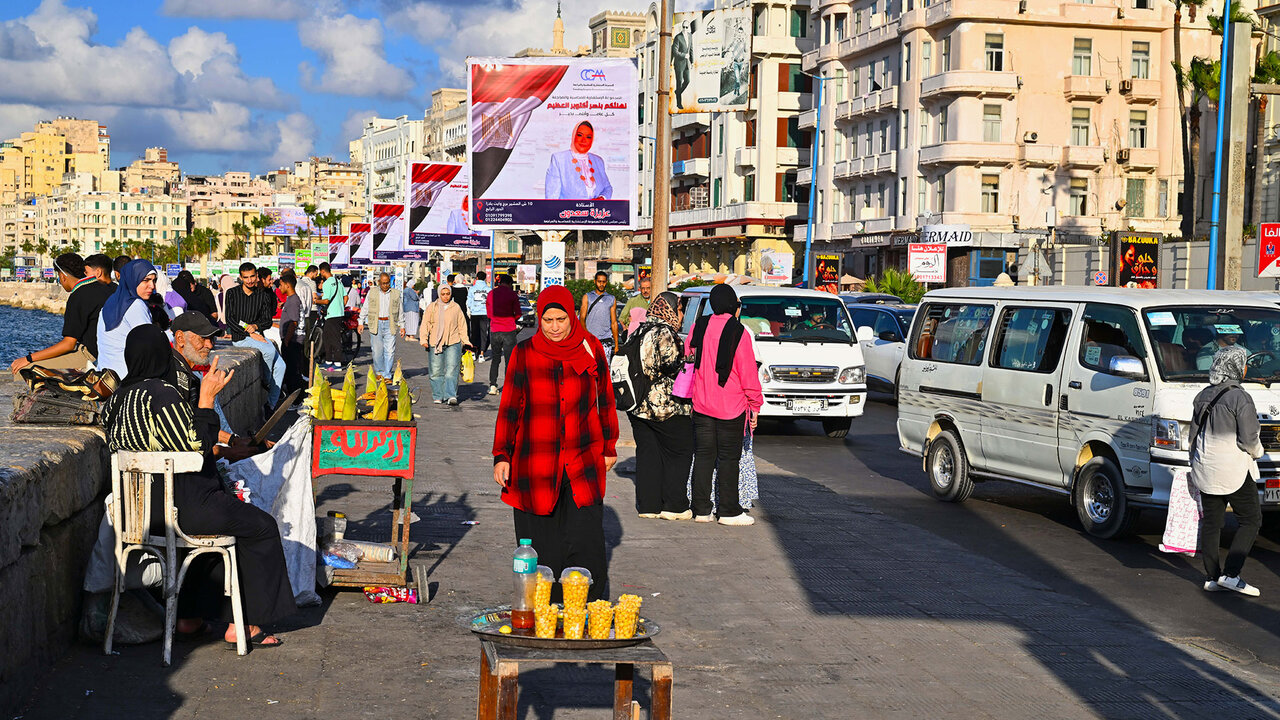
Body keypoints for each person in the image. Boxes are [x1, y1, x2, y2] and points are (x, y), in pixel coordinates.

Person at [102, 324, 295, 648]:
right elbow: (197, 444)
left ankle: (188, 618)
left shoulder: (115, 401)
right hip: (180, 506)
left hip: (138, 512)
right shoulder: (164, 395)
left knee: (211, 528)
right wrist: (206, 400)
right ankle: (244, 625)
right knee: (260, 527)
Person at [492, 285, 617, 602]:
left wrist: (609, 445)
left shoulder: (590, 349)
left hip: (582, 460)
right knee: (541, 544)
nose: (555, 327)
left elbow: (605, 400)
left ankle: (584, 607)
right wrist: (501, 455)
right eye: (548, 320)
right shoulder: (524, 353)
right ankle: (544, 607)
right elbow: (511, 407)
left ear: (572, 316)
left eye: (561, 319)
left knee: (584, 539)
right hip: (536, 462)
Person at [1190, 345, 1265, 597]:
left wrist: (1195, 463)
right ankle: (1232, 575)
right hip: (1231, 467)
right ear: (1236, 367)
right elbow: (1249, 438)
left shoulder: (1202, 395)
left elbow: (1192, 436)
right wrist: (1258, 453)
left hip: (1205, 465)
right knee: (1251, 520)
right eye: (1243, 364)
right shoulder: (1240, 397)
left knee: (1212, 523)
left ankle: (1211, 577)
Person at [684, 284, 762, 526]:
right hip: (731, 406)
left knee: (704, 456)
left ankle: (701, 510)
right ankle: (728, 511)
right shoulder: (739, 332)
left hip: (702, 403)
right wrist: (755, 404)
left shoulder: (700, 325)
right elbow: (747, 372)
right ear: (732, 305)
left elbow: (689, 353)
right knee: (729, 459)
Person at [624, 292, 694, 520]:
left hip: (637, 406)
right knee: (679, 453)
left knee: (648, 455)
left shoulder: (638, 330)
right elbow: (670, 364)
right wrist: (688, 360)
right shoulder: (663, 332)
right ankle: (674, 505)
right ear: (670, 310)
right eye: (680, 310)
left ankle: (648, 506)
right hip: (664, 406)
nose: (682, 315)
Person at [10, 252, 115, 373]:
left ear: (63, 276)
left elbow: (68, 344)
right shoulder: (111, 287)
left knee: (25, 369)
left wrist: (28, 358)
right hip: (110, 353)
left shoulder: (79, 295)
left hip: (92, 356)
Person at [222, 262, 286, 409]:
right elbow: (230, 319)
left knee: (281, 366)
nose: (250, 280)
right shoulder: (232, 293)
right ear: (240, 277)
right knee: (269, 350)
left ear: (257, 276)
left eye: (252, 276)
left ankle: (271, 405)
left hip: (257, 334)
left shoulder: (262, 295)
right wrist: (249, 330)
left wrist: (256, 327)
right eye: (246, 277)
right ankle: (267, 382)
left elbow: (267, 321)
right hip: (240, 337)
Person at [96, 259, 160, 378]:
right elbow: (151, 342)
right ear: (133, 280)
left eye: (154, 280)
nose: (152, 286)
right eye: (146, 280)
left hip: (105, 374)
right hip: (126, 377)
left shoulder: (112, 302)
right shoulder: (135, 305)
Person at [419, 284, 469, 405]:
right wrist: (424, 339)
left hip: (453, 341)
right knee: (436, 370)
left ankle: (451, 395)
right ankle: (438, 395)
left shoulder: (456, 307)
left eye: (448, 294)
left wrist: (466, 341)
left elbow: (462, 325)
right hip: (435, 342)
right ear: (439, 294)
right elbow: (425, 323)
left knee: (452, 369)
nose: (445, 297)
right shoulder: (432, 307)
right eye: (443, 294)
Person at [544, 121, 614, 200]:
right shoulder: (559, 160)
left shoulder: (598, 161)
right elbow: (552, 199)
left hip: (595, 211)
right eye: (580, 135)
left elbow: (608, 188)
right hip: (568, 212)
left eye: (588, 137)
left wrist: (602, 198)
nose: (584, 140)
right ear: (574, 136)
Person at [358, 271, 404, 381]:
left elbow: (400, 310)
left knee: (389, 350)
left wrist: (402, 326)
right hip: (376, 323)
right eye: (383, 283)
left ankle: (387, 374)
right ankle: (379, 372)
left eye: (387, 283)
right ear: (379, 282)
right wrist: (361, 322)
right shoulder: (372, 292)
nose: (385, 285)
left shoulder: (396, 294)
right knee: (377, 350)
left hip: (390, 323)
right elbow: (365, 307)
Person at [487, 273, 522, 395]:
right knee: (509, 360)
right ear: (510, 284)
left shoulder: (491, 293)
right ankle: (508, 386)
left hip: (495, 330)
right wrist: (512, 318)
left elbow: (489, 313)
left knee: (495, 359)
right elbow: (518, 313)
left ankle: (492, 385)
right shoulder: (512, 295)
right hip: (509, 330)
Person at [277, 271, 307, 396]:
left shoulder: (293, 300)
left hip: (293, 340)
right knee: (291, 369)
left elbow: (293, 322)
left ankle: (297, 399)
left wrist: (287, 340)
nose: (279, 288)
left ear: (287, 285)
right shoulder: (291, 300)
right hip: (291, 339)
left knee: (293, 370)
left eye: (281, 285)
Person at [579, 271, 619, 361]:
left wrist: (616, 344)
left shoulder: (611, 299)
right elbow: (582, 318)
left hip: (606, 339)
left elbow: (614, 322)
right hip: (590, 339)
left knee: (604, 369)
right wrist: (586, 334)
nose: (601, 284)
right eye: (599, 281)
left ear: (606, 283)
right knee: (589, 368)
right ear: (595, 281)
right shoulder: (588, 296)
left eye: (603, 282)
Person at [315, 263, 345, 372]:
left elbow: (326, 300)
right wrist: (340, 306)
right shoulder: (338, 282)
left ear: (323, 271)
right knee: (328, 337)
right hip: (339, 313)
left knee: (333, 339)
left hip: (332, 315)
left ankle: (337, 363)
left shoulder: (327, 283)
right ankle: (329, 361)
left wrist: (316, 300)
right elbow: (345, 297)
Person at [468, 271, 491, 360]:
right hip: (485, 313)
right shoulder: (489, 290)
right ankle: (481, 354)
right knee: (484, 333)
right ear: (485, 278)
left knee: (474, 333)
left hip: (475, 313)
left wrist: (472, 308)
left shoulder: (472, 289)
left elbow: (469, 302)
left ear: (476, 278)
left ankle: (473, 352)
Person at [672, 21, 693, 110]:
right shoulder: (678, 37)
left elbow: (691, 49)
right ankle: (679, 103)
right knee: (679, 82)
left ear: (688, 28)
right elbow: (675, 52)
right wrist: (684, 55)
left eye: (686, 27)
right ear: (682, 27)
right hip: (679, 63)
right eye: (683, 27)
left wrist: (692, 61)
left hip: (687, 63)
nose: (684, 29)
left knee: (687, 80)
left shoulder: (690, 36)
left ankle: (678, 92)